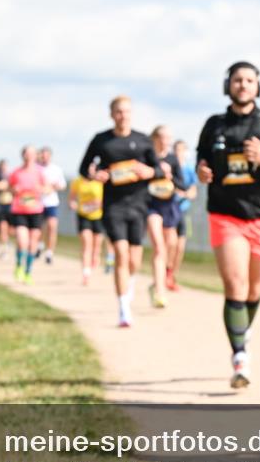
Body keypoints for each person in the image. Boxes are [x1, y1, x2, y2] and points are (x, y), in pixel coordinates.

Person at [196, 61, 260, 389]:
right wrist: (202, 171)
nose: (243, 85)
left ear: (258, 86)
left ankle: (243, 329)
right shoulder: (214, 125)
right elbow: (201, 160)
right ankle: (240, 355)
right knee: (236, 285)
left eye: (249, 80)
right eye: (238, 80)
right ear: (228, 85)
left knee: (254, 290)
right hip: (226, 215)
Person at [78, 95, 163, 327]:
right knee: (121, 254)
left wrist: (148, 171)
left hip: (139, 205)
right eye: (118, 111)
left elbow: (158, 170)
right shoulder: (101, 140)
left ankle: (129, 282)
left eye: (126, 111)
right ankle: (124, 308)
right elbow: (84, 168)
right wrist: (95, 175)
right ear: (111, 114)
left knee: (134, 259)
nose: (122, 115)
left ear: (131, 113)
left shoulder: (143, 140)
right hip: (113, 205)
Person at [146, 125, 186, 308]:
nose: (166, 141)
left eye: (168, 138)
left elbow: (182, 185)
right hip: (151, 205)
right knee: (159, 247)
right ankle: (160, 292)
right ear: (154, 138)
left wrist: (169, 176)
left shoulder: (172, 159)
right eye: (162, 137)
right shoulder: (148, 156)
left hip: (168, 205)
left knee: (171, 244)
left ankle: (157, 281)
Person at [9, 145, 48, 284]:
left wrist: (41, 189)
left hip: (36, 210)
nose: (29, 156)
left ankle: (28, 271)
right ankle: (19, 264)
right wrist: (14, 190)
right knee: (22, 241)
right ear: (23, 155)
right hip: (19, 210)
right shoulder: (16, 172)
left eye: (32, 153)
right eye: (27, 153)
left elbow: (47, 188)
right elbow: (10, 189)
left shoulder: (40, 172)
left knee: (33, 243)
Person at [68, 162, 106, 285]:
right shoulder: (78, 181)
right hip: (83, 215)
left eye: (93, 168)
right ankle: (86, 274)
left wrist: (97, 204)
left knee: (96, 246)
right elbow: (72, 198)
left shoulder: (101, 182)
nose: (90, 170)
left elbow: (106, 199)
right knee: (86, 243)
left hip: (98, 216)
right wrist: (72, 204)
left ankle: (96, 256)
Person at [169, 139, 198, 291]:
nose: (179, 153)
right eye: (177, 150)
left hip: (183, 212)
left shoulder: (189, 171)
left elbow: (193, 192)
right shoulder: (170, 169)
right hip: (169, 211)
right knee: (171, 244)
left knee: (180, 247)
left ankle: (172, 276)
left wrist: (184, 193)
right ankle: (165, 272)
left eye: (182, 150)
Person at [38, 146, 67, 264]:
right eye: (43, 155)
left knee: (52, 226)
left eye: (46, 155)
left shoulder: (56, 169)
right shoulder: (36, 168)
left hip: (51, 202)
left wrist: (53, 187)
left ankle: (49, 252)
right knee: (39, 228)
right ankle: (39, 245)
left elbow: (62, 185)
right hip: (38, 202)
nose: (44, 157)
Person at [0, 159, 13, 259]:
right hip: (0, 204)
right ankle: (4, 250)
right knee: (2, 227)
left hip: (11, 205)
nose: (3, 168)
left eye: (5, 166)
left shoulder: (11, 176)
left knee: (11, 229)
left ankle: (7, 240)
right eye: (2, 166)